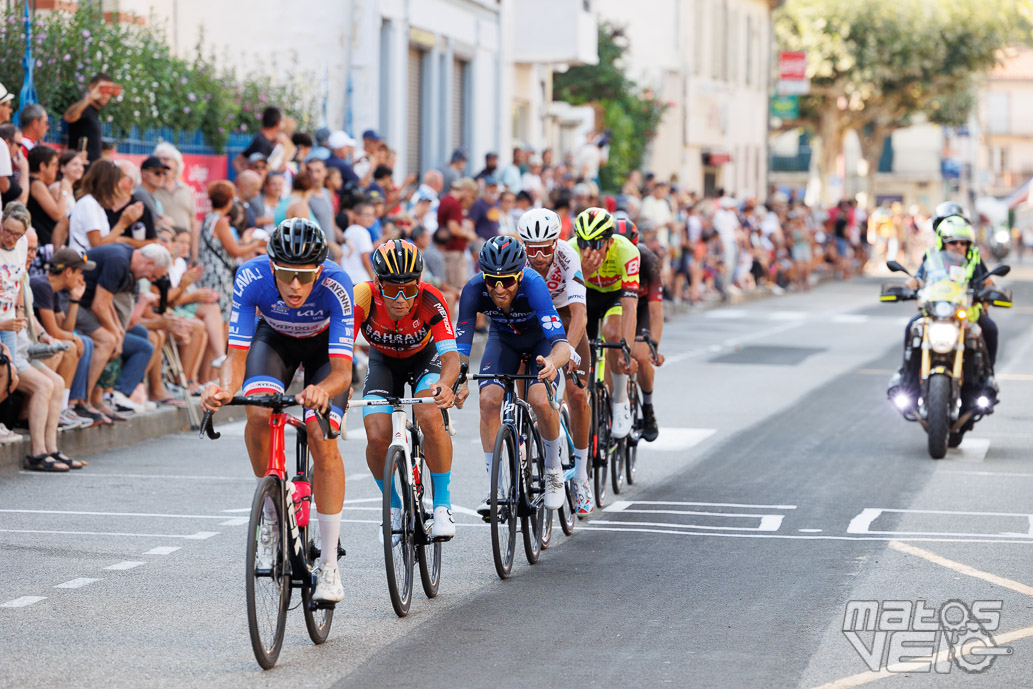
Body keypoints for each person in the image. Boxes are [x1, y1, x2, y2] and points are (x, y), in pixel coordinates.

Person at [202, 219, 355, 603]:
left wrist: (321, 391)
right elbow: (236, 355)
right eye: (286, 274)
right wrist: (224, 390)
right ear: (271, 266)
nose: (295, 286)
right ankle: (272, 510)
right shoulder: (250, 275)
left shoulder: (338, 284)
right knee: (256, 413)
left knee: (321, 435)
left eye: (305, 276)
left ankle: (330, 567)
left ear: (319, 270)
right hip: (275, 344)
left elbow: (342, 372)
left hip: (324, 353)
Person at [453, 236, 571, 518]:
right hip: (503, 341)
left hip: (540, 343)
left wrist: (553, 362)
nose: (499, 288)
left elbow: (561, 343)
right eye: (492, 280)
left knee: (539, 399)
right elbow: (460, 348)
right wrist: (457, 379)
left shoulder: (534, 285)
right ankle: (499, 488)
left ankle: (554, 471)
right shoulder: (473, 290)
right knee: (488, 400)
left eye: (507, 281)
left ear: (519, 274)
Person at [353, 239, 460, 539]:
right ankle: (394, 508)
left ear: (420, 283)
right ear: (377, 284)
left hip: (424, 360)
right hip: (382, 362)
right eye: (391, 289)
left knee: (428, 413)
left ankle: (442, 506)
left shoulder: (430, 299)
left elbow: (450, 357)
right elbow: (339, 347)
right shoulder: (362, 297)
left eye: (409, 289)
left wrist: (445, 384)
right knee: (375, 434)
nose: (401, 299)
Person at [516, 208, 595, 515]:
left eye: (544, 248)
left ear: (556, 242)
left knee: (576, 395)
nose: (537, 256)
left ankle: (582, 477)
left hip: (564, 317)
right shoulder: (517, 256)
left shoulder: (568, 256)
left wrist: (568, 351)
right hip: (531, 320)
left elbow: (579, 314)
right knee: (523, 387)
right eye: (530, 248)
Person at [888, 216, 998, 404]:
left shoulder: (973, 261)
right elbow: (917, 279)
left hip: (965, 316)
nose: (958, 246)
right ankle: (907, 380)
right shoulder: (932, 259)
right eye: (953, 242)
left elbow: (989, 283)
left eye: (964, 243)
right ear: (943, 243)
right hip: (935, 313)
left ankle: (987, 377)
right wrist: (907, 288)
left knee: (989, 329)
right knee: (911, 328)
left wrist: (991, 293)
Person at [568, 207, 640, 438]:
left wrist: (625, 349)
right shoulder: (569, 251)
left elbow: (630, 306)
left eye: (596, 243)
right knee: (578, 341)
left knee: (612, 333)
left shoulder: (627, 251)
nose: (588, 251)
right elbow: (567, 299)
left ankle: (620, 401)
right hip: (585, 296)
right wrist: (585, 274)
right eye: (583, 243)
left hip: (614, 297)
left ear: (609, 242)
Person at [31, 247, 105, 426]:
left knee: (81, 341)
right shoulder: (42, 285)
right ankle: (67, 406)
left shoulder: (53, 290)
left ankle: (67, 407)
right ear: (68, 272)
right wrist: (74, 338)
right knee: (76, 343)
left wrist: (74, 299)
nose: (82, 278)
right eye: (79, 272)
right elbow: (55, 333)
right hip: (33, 343)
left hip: (46, 339)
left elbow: (65, 327)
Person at [612, 218, 665, 441]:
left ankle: (648, 408)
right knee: (611, 345)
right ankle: (608, 402)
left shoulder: (649, 261)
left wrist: (653, 344)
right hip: (615, 304)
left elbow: (655, 311)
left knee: (640, 357)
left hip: (641, 307)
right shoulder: (606, 258)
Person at [197, 180, 266, 325]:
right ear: (229, 201)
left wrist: (246, 242)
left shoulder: (209, 218)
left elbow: (224, 246)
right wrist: (256, 244)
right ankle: (222, 348)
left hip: (208, 274)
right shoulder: (220, 221)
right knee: (224, 321)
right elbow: (234, 251)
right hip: (219, 277)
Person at [67, 160, 144, 253]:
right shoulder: (88, 203)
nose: (118, 186)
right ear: (108, 183)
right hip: (84, 262)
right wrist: (122, 224)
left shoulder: (95, 204)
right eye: (117, 181)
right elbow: (96, 245)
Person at [63, 72, 118, 163]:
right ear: (92, 87)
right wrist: (90, 98)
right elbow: (68, 117)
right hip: (79, 170)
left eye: (109, 90)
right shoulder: (84, 109)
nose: (106, 94)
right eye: (103, 89)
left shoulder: (94, 112)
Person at [233, 106, 283, 173]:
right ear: (278, 123)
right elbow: (237, 162)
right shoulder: (262, 142)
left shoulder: (266, 139)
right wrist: (246, 178)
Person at [339, 201, 375, 287]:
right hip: (360, 279)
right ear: (356, 216)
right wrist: (372, 277)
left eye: (372, 215)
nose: (371, 219)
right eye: (367, 215)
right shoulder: (362, 231)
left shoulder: (349, 230)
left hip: (347, 277)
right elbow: (365, 257)